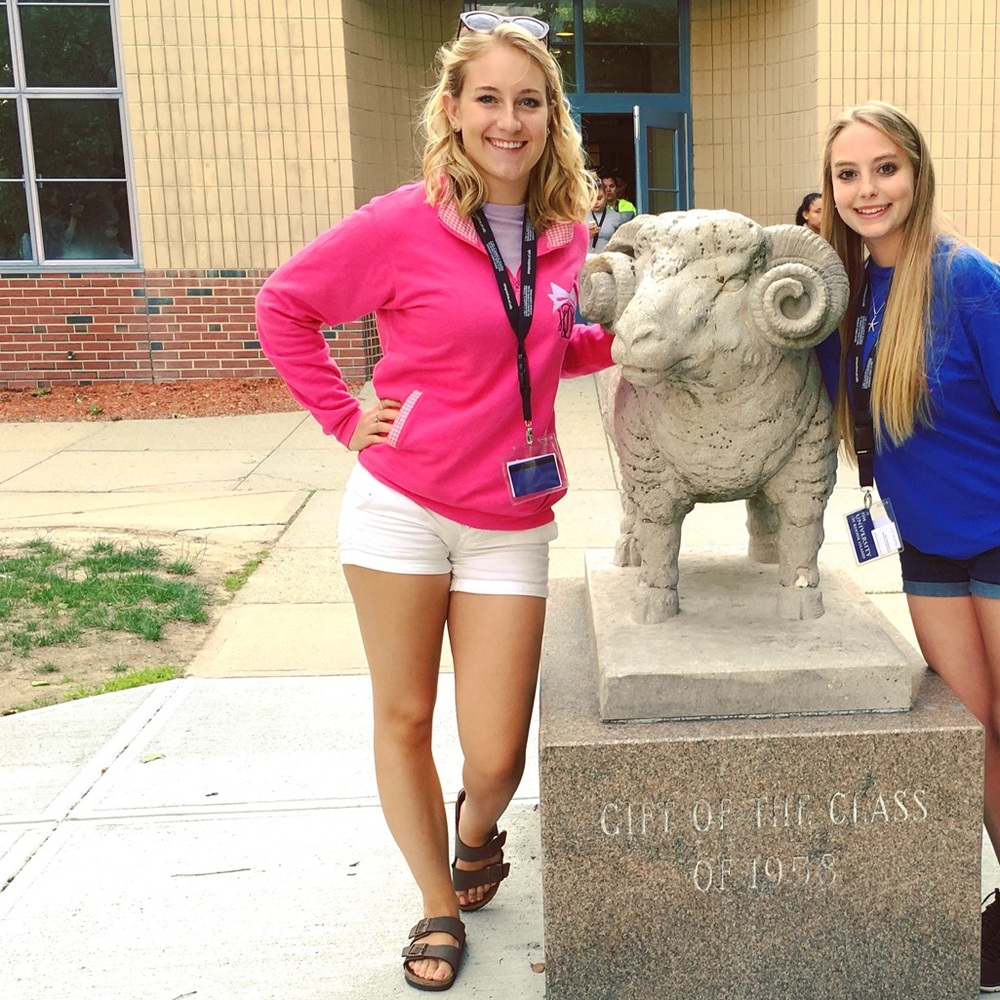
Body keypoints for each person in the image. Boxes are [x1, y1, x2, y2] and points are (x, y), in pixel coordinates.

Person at [255, 11, 614, 993]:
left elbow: (554, 348)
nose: (508, 120)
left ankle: (474, 827)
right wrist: (341, 415)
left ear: (551, 117)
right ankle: (435, 901)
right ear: (452, 110)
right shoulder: (397, 223)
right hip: (401, 508)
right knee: (406, 714)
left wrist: (629, 341)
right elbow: (283, 305)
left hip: (509, 519)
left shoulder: (566, 235)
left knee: (494, 750)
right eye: (488, 99)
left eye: (528, 101)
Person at [817, 100, 1000, 992]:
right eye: (848, 174)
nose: (867, 189)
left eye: (884, 168)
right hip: (925, 549)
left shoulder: (969, 281)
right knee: (972, 735)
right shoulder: (845, 298)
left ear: (917, 171)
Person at [587, 171, 627, 253]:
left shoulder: (616, 217)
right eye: (592, 199)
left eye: (599, 198)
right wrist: (585, 235)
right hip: (584, 261)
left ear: (606, 196)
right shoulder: (581, 217)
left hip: (606, 261)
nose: (595, 202)